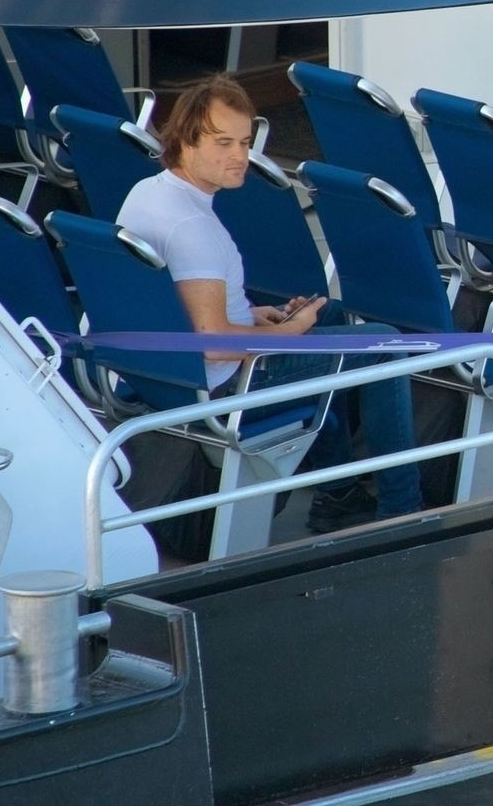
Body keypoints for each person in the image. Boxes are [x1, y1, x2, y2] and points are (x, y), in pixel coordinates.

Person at [116, 74, 422, 533]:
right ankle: (403, 510)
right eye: (223, 143)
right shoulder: (193, 228)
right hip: (227, 389)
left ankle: (338, 494)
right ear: (186, 140)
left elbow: (176, 302)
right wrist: (288, 331)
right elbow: (214, 343)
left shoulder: (148, 193)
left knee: (332, 316)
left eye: (244, 142)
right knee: (386, 346)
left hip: (165, 375)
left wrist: (254, 316)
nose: (239, 156)